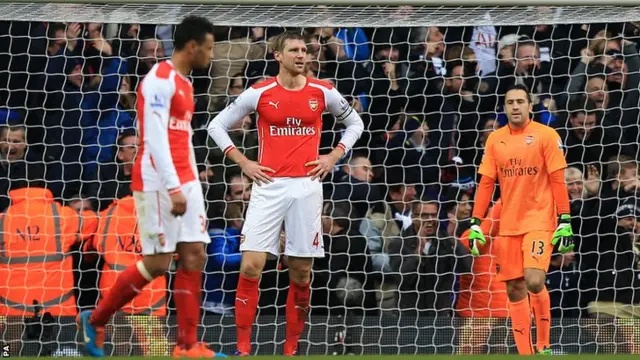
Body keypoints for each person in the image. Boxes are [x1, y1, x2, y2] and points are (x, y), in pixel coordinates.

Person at [207, 30, 364, 356]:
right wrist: (243, 162)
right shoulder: (260, 92)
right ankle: (242, 348)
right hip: (267, 186)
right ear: (277, 55)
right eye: (293, 49)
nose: (301, 55)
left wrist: (334, 156)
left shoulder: (323, 91)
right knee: (251, 266)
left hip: (306, 188)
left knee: (302, 272)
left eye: (304, 50)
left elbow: (356, 125)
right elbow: (216, 126)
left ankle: (291, 349)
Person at [77, 16, 226, 358]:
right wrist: (174, 187)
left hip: (184, 180)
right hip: (158, 180)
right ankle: (96, 319)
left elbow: (181, 137)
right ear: (192, 46)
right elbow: (155, 137)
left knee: (195, 255)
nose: (211, 53)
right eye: (209, 46)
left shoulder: (185, 83)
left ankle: (188, 347)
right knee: (158, 263)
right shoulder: (158, 79)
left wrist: (192, 183)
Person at [468, 84, 573, 355]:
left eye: (520, 101)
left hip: (540, 220)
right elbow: (486, 182)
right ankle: (526, 353)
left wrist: (565, 220)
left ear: (529, 106)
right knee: (515, 289)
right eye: (510, 102)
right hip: (508, 224)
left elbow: (558, 180)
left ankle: (545, 345)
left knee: (534, 281)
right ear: (504, 108)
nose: (515, 106)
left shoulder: (546, 135)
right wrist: (475, 222)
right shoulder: (495, 140)